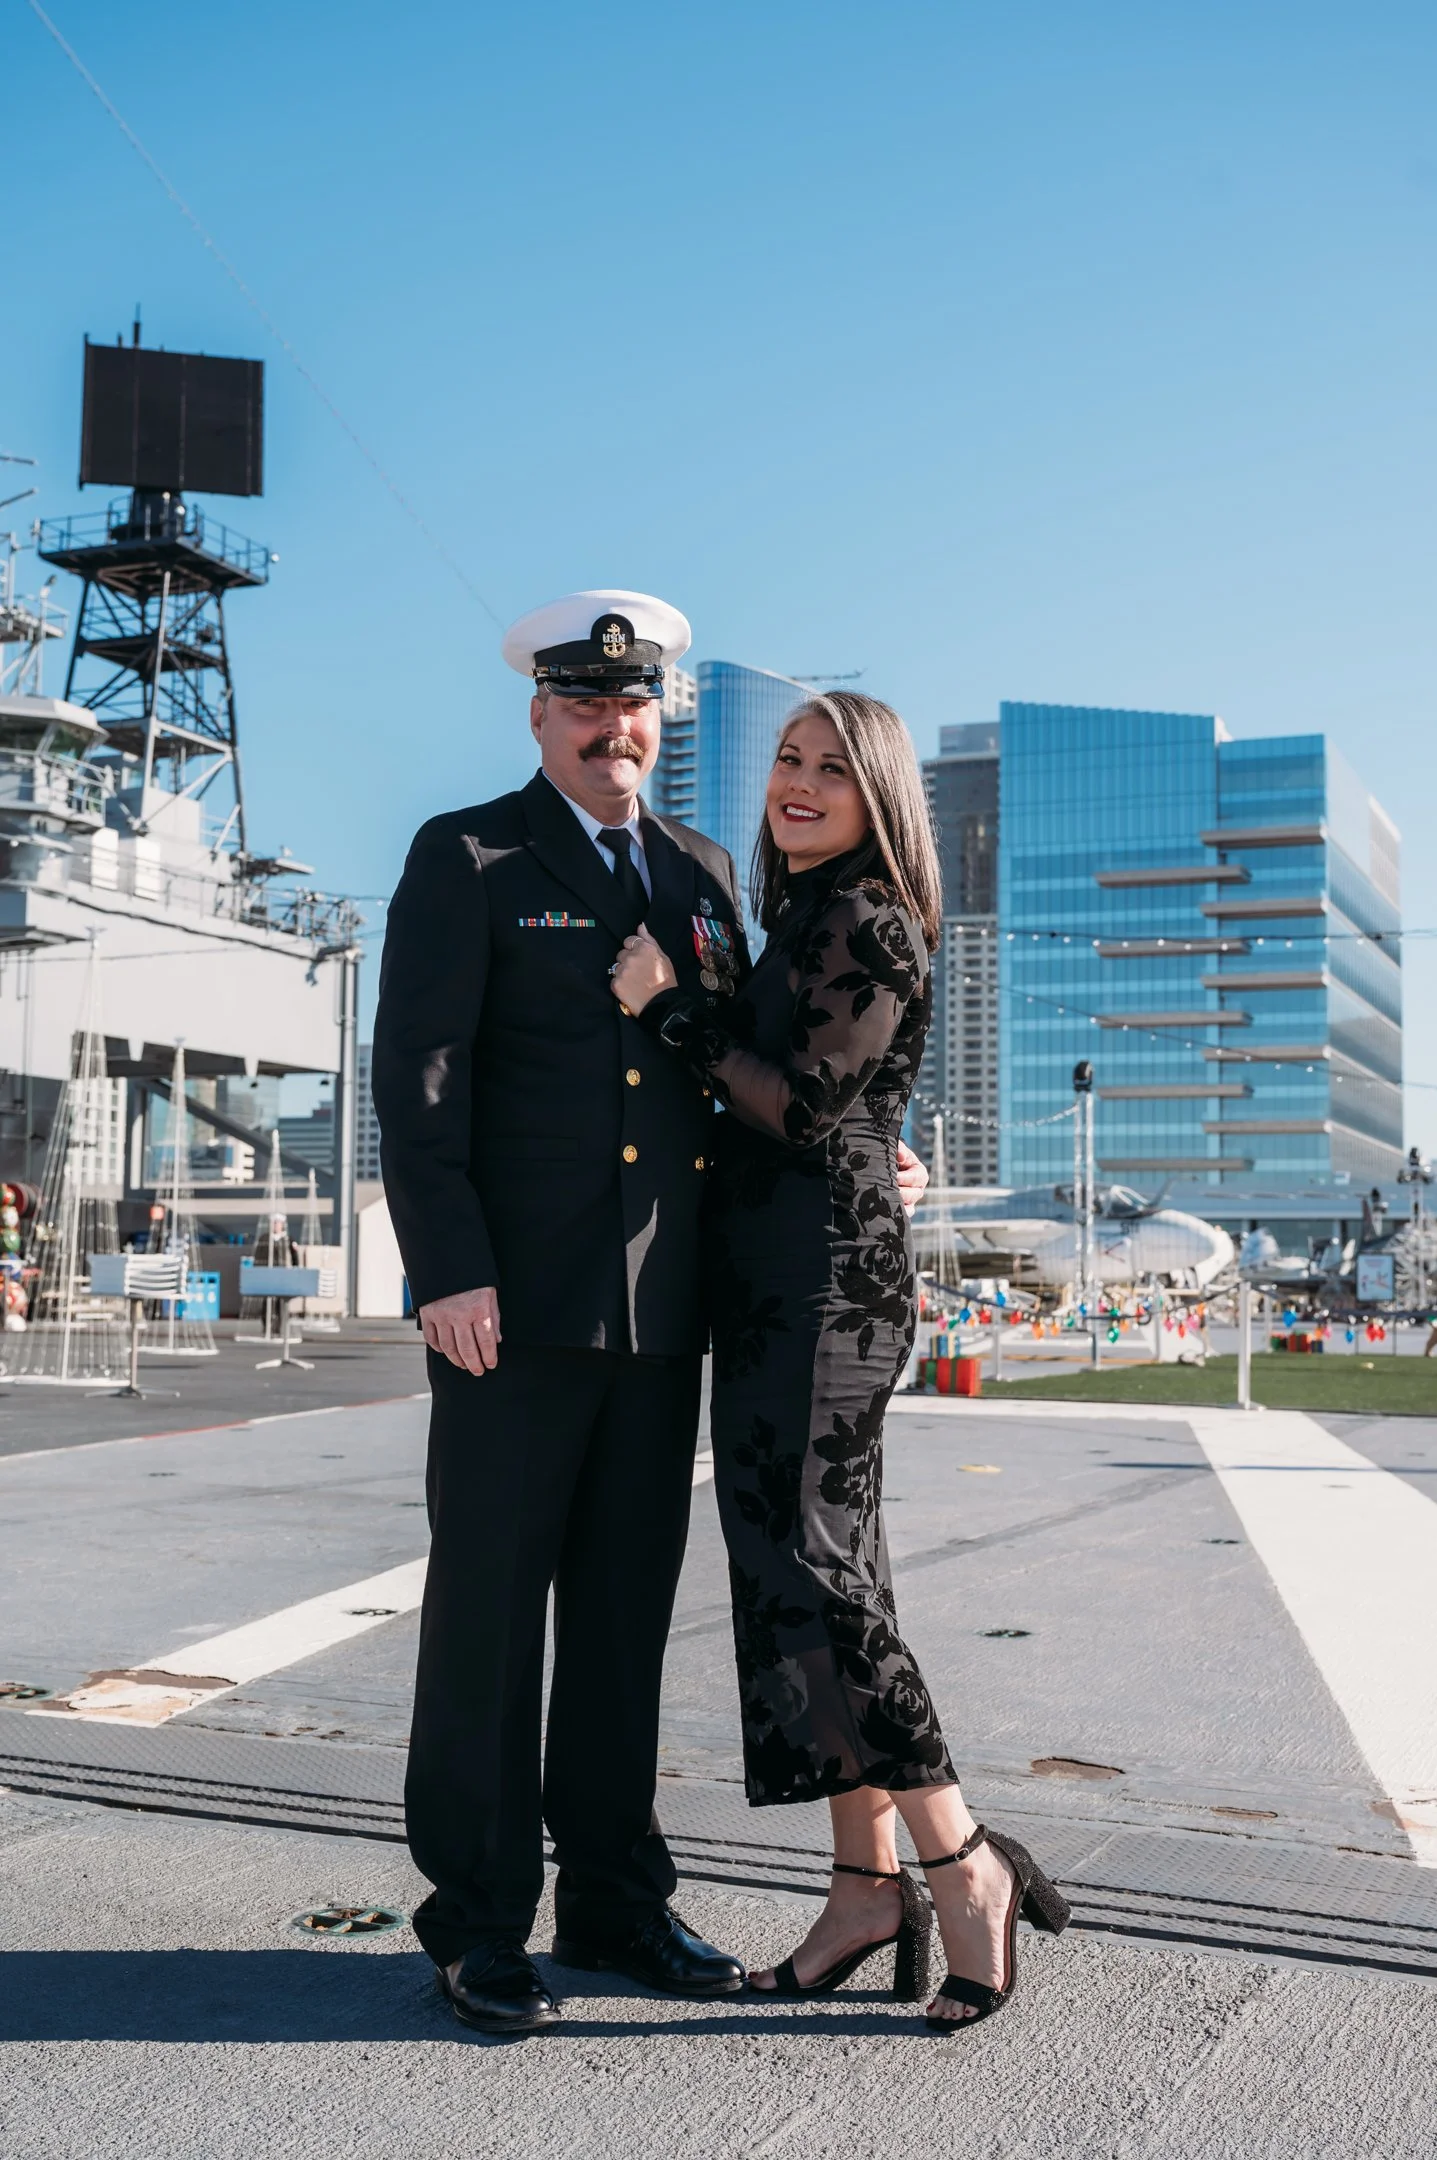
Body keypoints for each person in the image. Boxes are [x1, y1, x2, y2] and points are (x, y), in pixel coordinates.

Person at [373, 592, 932, 2036]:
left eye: (635, 706)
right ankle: (479, 1917)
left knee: (622, 1624)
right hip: (516, 1306)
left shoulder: (695, 869)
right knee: (491, 1619)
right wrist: (447, 1270)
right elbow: (419, 1083)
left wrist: (885, 1143)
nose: (612, 725)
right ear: (541, 717)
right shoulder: (470, 856)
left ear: (660, 717)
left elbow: (766, 1063)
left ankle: (614, 1900)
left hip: (668, 1312)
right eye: (582, 702)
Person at [611, 690, 1072, 2033]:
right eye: (788, 762)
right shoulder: (806, 922)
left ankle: (958, 1860)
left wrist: (670, 1010)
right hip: (780, 1293)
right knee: (802, 1595)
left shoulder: (864, 916)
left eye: (832, 769)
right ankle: (863, 1892)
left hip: (823, 1296)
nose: (800, 784)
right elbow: (848, 1105)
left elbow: (806, 1103)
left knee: (820, 1588)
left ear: (881, 800)